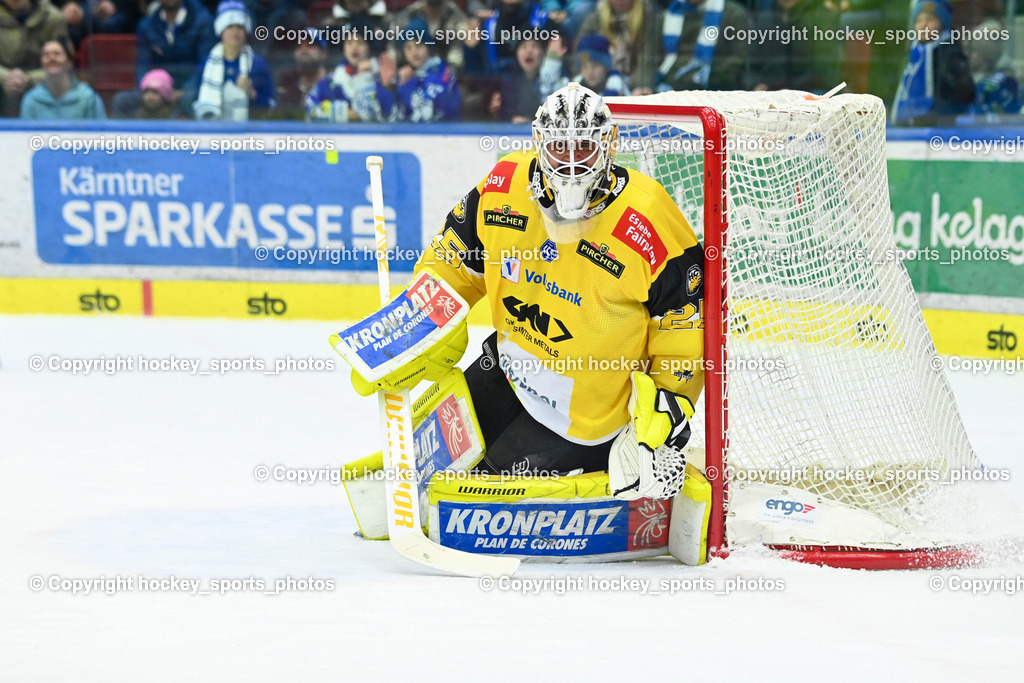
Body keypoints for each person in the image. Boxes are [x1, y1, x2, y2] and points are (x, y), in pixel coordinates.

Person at [349, 83, 705, 497]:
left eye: (583, 149)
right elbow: (454, 260)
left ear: (608, 145)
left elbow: (684, 324)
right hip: (508, 369)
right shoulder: (504, 187)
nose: (571, 163)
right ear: (539, 143)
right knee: (419, 458)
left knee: (473, 485)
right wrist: (419, 324)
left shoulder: (648, 217)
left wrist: (667, 408)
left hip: (586, 415)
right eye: (559, 149)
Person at [891, 0, 974, 126]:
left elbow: (964, 91)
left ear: (943, 23)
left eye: (930, 20)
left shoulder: (950, 53)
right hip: (908, 124)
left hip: (941, 126)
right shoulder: (911, 54)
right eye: (919, 21)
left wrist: (940, 112)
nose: (924, 25)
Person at [193, 0, 274, 120]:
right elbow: (195, 102)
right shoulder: (206, 64)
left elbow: (271, 109)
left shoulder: (258, 65)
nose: (235, 32)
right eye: (230, 26)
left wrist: (252, 94)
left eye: (240, 27)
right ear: (221, 30)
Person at [657, 0, 751, 92]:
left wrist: (695, 76)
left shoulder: (734, 14)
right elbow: (654, 58)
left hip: (718, 89)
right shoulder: (669, 14)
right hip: (669, 88)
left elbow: (740, 59)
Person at [305, 25, 394, 122]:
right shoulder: (331, 82)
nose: (354, 47)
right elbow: (310, 106)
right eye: (349, 42)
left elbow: (389, 114)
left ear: (369, 48)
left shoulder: (381, 80)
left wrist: (365, 78)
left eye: (360, 43)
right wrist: (344, 113)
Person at [0, 0, 68, 116]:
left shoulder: (52, 17)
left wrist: (30, 78)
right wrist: (5, 76)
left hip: (44, 82)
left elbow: (63, 62)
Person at [136, 0, 217, 97]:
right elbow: (142, 65)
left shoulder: (203, 22)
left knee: (187, 100)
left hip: (191, 89)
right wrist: (149, 89)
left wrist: (185, 91)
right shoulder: (146, 26)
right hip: (157, 90)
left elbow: (206, 65)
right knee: (122, 100)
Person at [578, 0, 661, 95]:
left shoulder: (648, 19)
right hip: (602, 80)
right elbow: (582, 55)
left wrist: (640, 86)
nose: (620, 1)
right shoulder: (595, 19)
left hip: (634, 80)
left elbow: (647, 58)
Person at [20, 37, 104, 118]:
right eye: (46, 55)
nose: (52, 58)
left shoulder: (88, 97)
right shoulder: (31, 99)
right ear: (41, 64)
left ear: (69, 62)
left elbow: (101, 130)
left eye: (57, 54)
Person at [395, 17, 460, 122]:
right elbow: (399, 112)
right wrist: (392, 86)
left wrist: (411, 83)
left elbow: (440, 104)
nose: (414, 52)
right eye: (408, 48)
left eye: (418, 45)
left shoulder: (442, 70)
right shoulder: (404, 75)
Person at [111, 68, 189, 118]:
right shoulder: (135, 115)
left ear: (165, 95)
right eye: (146, 92)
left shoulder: (176, 116)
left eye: (155, 92)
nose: (150, 96)